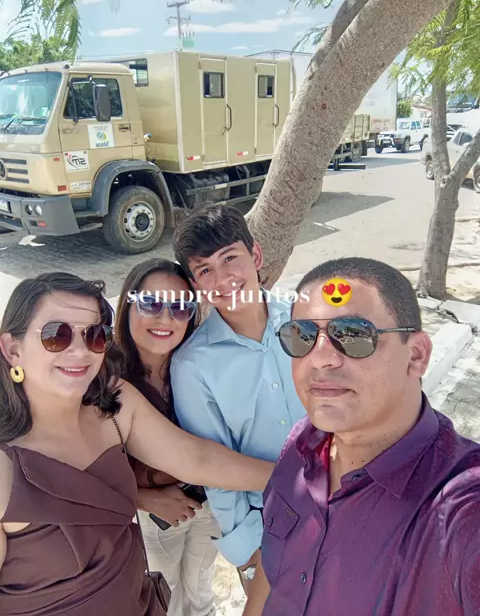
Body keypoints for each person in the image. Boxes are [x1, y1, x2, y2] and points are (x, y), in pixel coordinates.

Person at [0, 272, 275, 616]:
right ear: (12, 349)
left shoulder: (113, 404)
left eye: (94, 335)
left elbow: (198, 459)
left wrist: (297, 476)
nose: (80, 351)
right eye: (57, 335)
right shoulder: (5, 466)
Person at [256, 256, 480, 615]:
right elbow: (276, 577)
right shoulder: (302, 444)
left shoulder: (458, 506)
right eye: (303, 336)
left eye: (353, 334)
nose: (320, 358)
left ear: (416, 355)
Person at [169, 203, 306, 613]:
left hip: (346, 500)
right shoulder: (192, 364)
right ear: (195, 283)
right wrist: (248, 555)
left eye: (230, 258)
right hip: (269, 527)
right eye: (205, 269)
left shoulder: (305, 321)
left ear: (256, 256)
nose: (222, 278)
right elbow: (215, 468)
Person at [114, 258, 220, 616]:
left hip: (211, 504)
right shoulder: (103, 374)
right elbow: (80, 471)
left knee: (201, 590)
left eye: (180, 307)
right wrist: (144, 499)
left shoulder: (201, 363)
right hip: (154, 517)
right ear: (128, 304)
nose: (165, 318)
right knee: (165, 601)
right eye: (151, 303)